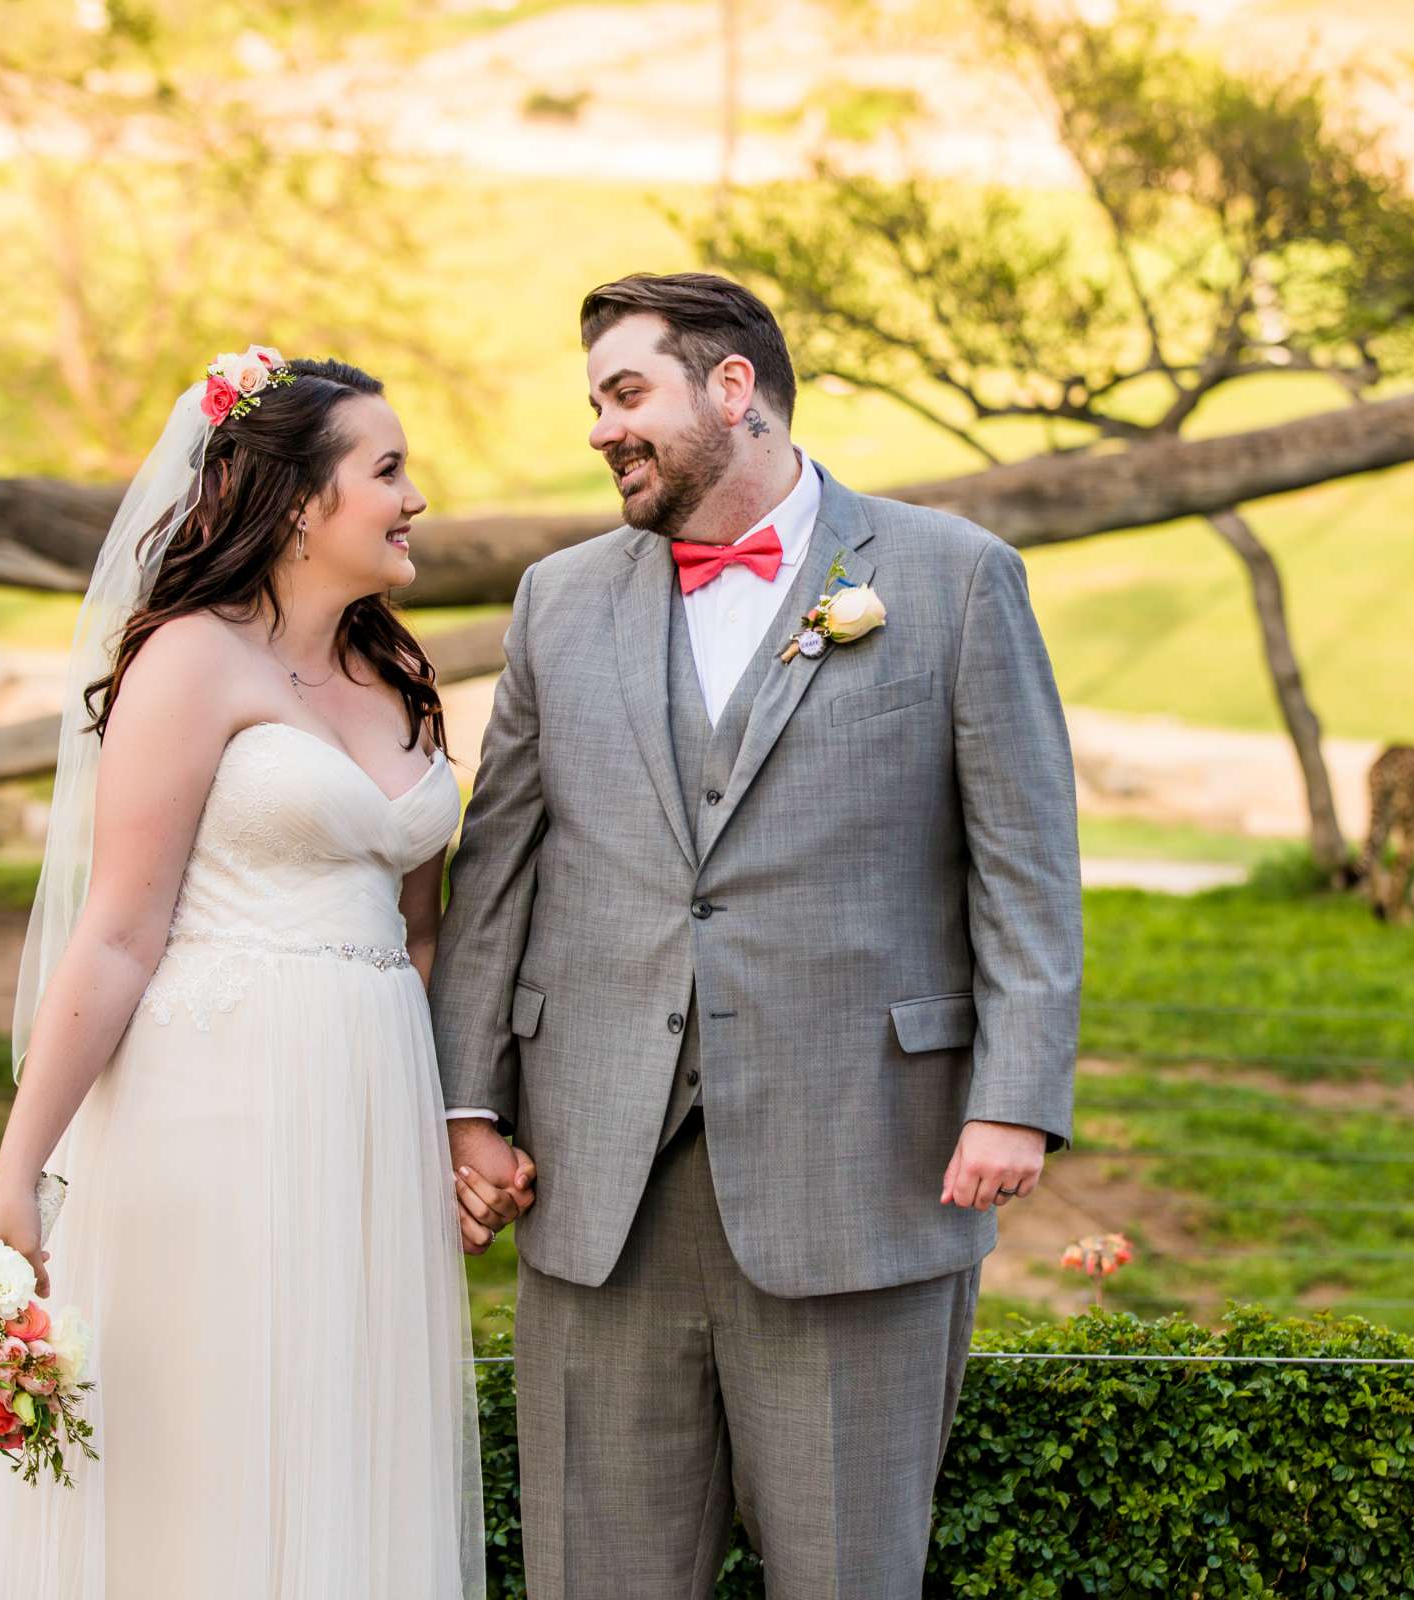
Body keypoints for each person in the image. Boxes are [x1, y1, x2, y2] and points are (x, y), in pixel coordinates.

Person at [430, 273, 1082, 1599]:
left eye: (627, 394)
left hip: (867, 1168)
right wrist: (464, 1104)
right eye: (595, 403)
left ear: (733, 388)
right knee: (595, 1573)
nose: (602, 429)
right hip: (598, 1176)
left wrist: (1015, 1097)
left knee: (847, 1572)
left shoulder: (953, 581)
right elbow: (496, 866)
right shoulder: (557, 601)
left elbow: (1027, 866)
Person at [0, 353, 487, 1599]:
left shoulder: (400, 679)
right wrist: (17, 1179)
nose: (416, 500)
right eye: (389, 471)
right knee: (200, 1448)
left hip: (367, 1113)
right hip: (213, 1110)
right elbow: (118, 934)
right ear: (298, 501)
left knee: (343, 1432)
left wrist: (453, 1123)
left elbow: (420, 936)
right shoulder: (189, 661)